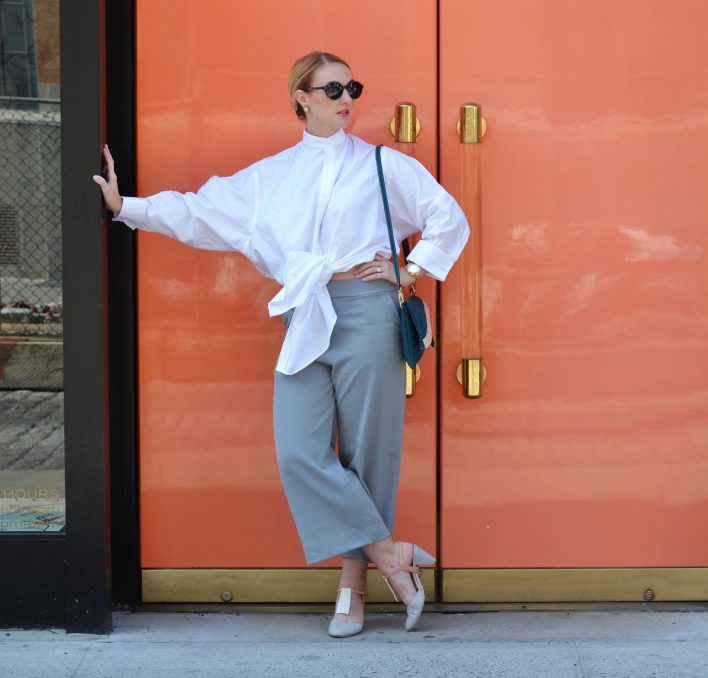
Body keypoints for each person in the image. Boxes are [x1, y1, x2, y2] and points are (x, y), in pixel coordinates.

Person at [92, 51, 469, 637]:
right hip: (305, 314)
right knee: (299, 451)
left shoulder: (382, 165)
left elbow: (449, 217)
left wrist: (409, 270)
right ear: (302, 98)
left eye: (353, 87)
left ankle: (353, 587)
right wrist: (126, 208)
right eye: (333, 88)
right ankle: (393, 556)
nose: (347, 97)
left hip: (366, 310)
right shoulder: (271, 176)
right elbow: (199, 213)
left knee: (369, 457)